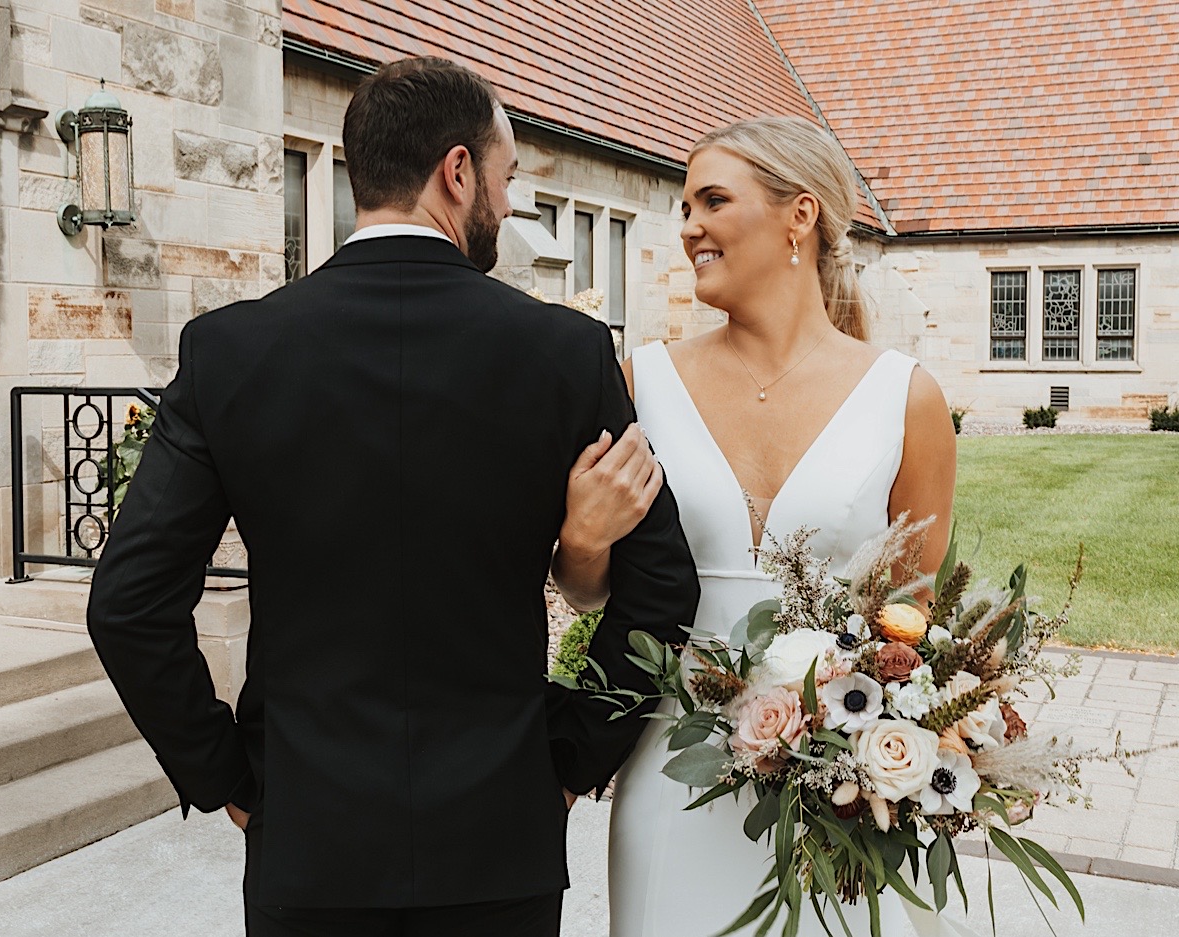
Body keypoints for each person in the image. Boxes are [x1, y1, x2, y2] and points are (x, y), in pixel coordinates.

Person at [86, 56, 700, 937]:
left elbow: (129, 603)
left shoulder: (232, 352)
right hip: (500, 836)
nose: (509, 203)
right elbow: (665, 585)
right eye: (507, 177)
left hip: (311, 841)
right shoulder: (563, 352)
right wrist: (568, 757)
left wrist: (224, 774)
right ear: (457, 173)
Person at [552, 116, 971, 936]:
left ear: (800, 216)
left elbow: (912, 619)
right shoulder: (643, 379)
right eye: (683, 208)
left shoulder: (906, 397)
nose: (689, 228)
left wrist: (884, 756)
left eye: (712, 200)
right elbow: (587, 585)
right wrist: (583, 539)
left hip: (838, 791)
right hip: (673, 770)